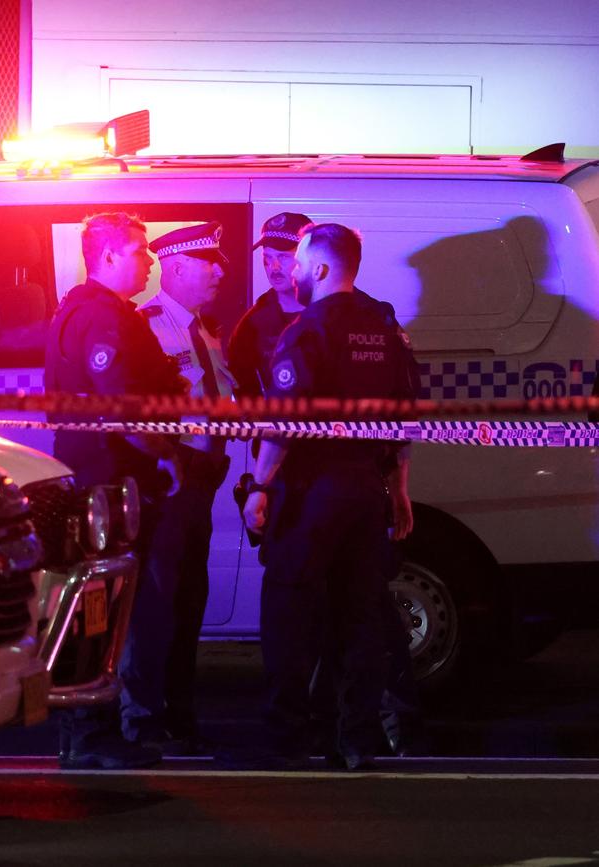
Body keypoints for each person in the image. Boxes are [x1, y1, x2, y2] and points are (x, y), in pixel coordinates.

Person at [229, 213, 424, 758]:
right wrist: (399, 488)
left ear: (318, 267)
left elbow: (286, 421)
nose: (290, 271)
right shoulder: (385, 327)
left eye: (296, 262)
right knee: (360, 617)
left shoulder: (307, 329)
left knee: (289, 614)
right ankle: (358, 738)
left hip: (312, 492)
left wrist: (262, 485)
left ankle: (287, 740)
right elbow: (406, 416)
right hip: (367, 491)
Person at [45, 210, 188, 770]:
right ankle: (89, 732)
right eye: (139, 251)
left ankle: (90, 728)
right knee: (103, 608)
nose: (149, 261)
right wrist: (166, 457)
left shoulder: (88, 311)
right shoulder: (102, 319)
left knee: (104, 605)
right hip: (109, 488)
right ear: (107, 257)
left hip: (103, 484)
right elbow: (124, 410)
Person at [119, 221, 236, 754]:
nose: (220, 271)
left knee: (190, 602)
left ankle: (179, 713)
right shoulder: (147, 326)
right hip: (171, 483)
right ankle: (142, 717)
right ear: (179, 267)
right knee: (155, 603)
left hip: (204, 483)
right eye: (209, 262)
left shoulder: (207, 329)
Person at [228, 212, 309, 398]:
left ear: (308, 257)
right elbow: (243, 392)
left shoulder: (335, 312)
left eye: (283, 257)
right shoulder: (252, 324)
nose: (274, 267)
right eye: (267, 258)